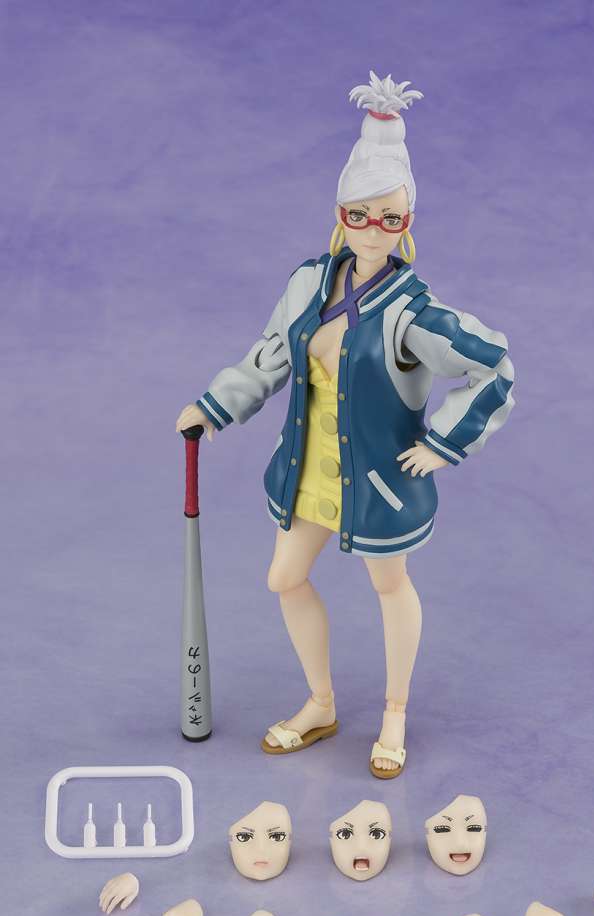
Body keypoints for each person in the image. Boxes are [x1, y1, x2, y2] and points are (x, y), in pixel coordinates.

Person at [176, 71, 515, 779]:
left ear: (407, 223)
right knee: (284, 577)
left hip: (379, 480)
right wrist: (216, 405)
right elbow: (270, 355)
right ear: (340, 214)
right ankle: (322, 703)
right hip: (308, 467)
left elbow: (493, 367)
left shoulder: (412, 311)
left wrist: (442, 443)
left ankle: (394, 713)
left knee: (389, 586)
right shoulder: (309, 282)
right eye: (360, 214)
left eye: (389, 218)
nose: (372, 229)